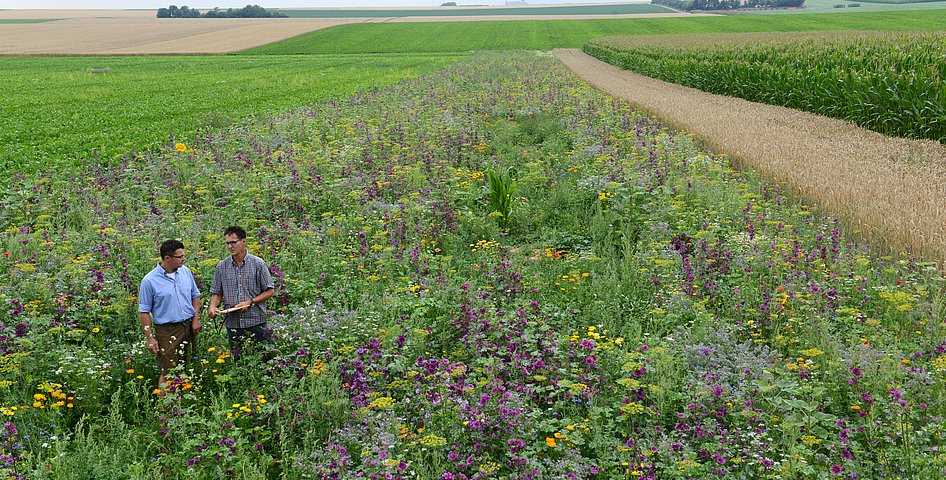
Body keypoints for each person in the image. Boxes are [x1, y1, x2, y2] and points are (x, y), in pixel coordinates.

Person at [138, 239, 202, 394]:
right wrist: (150, 338)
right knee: (168, 371)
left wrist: (196, 319)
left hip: (188, 326)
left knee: (185, 365)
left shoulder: (185, 272)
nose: (183, 259)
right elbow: (144, 311)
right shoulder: (150, 281)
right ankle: (164, 409)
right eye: (179, 257)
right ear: (167, 258)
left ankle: (182, 404)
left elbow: (195, 296)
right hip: (167, 330)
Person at [208, 226, 274, 358]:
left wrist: (250, 302)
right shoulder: (222, 267)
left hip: (256, 321)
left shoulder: (258, 264)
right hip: (233, 323)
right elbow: (217, 292)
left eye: (234, 242)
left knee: (265, 359)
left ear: (243, 241)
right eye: (227, 243)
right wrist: (212, 307)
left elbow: (270, 291)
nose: (230, 246)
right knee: (239, 360)